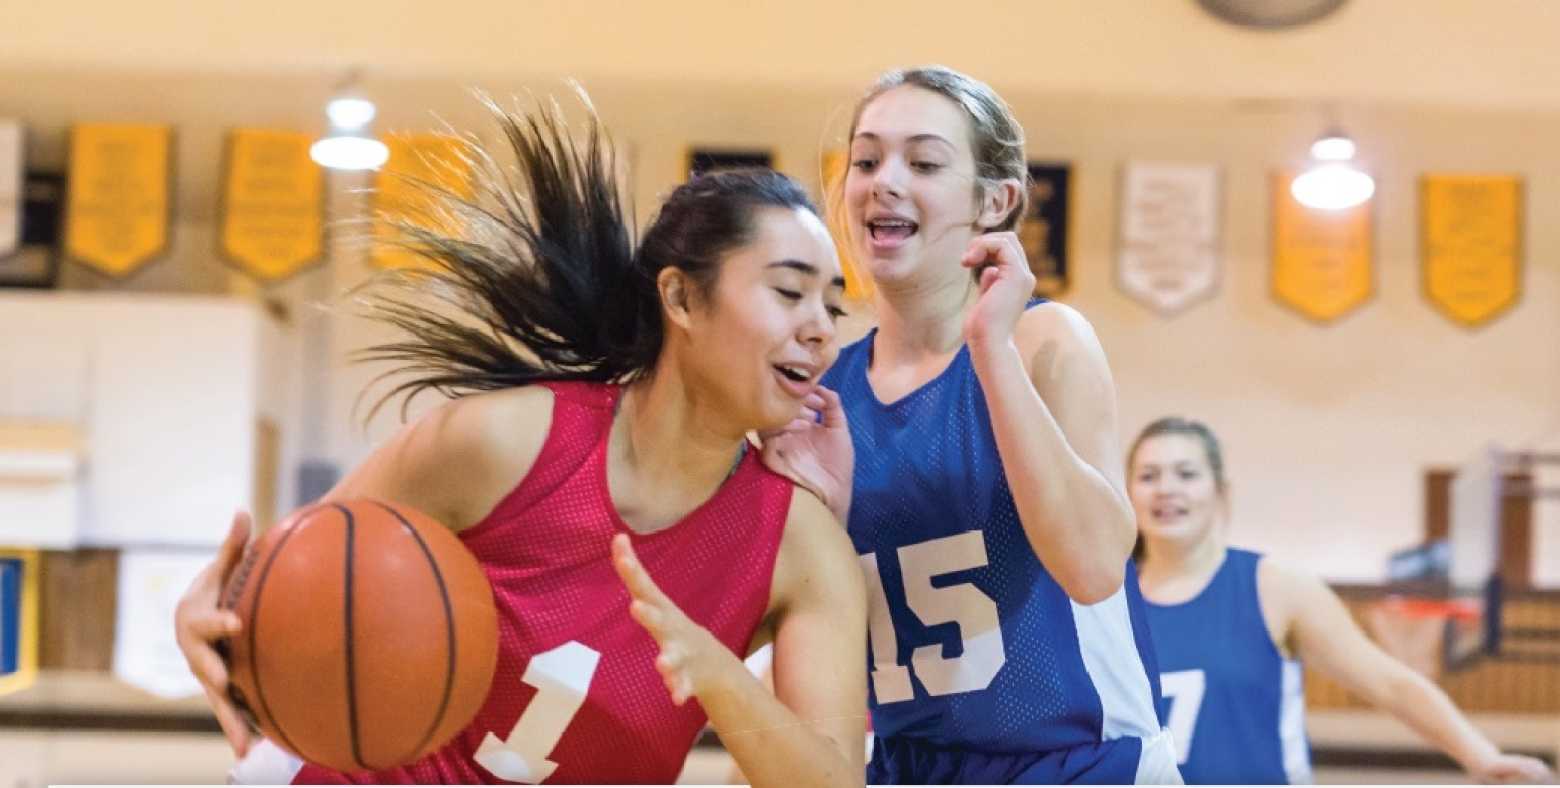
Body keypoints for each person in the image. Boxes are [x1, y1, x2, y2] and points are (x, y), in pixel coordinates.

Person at [174, 97, 867, 786]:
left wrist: (722, 675)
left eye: (832, 306)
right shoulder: (502, 441)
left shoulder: (802, 546)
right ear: (681, 300)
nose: (821, 330)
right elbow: (287, 588)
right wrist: (208, 615)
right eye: (789, 293)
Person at [763, 65, 1176, 784]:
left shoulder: (1046, 344)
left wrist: (990, 348)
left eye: (922, 162)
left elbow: (1092, 567)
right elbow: (791, 633)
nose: (884, 180)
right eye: (865, 160)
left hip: (1083, 764)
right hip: (904, 766)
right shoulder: (821, 396)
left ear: (996, 201)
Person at [1129, 416, 1553, 784]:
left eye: (1186, 474)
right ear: (1126, 492)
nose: (1166, 489)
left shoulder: (1276, 588)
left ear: (1221, 491)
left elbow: (1390, 683)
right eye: (1149, 476)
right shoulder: (1101, 600)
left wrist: (1480, 754)